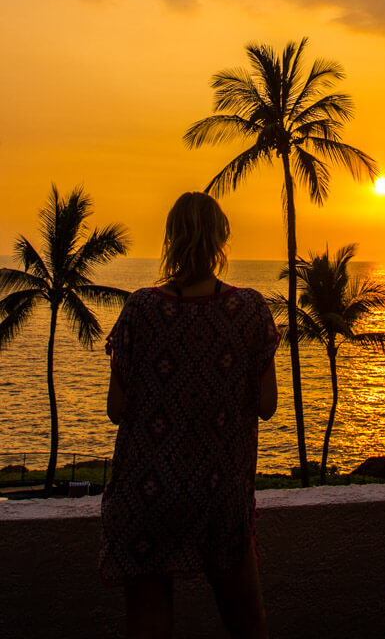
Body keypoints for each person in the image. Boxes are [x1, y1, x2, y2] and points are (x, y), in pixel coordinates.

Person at [100, 192, 279, 639]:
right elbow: (267, 405)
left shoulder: (141, 309)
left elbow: (116, 409)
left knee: (150, 626)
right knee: (246, 623)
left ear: (170, 239)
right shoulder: (250, 310)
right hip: (220, 493)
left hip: (148, 494)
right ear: (221, 238)